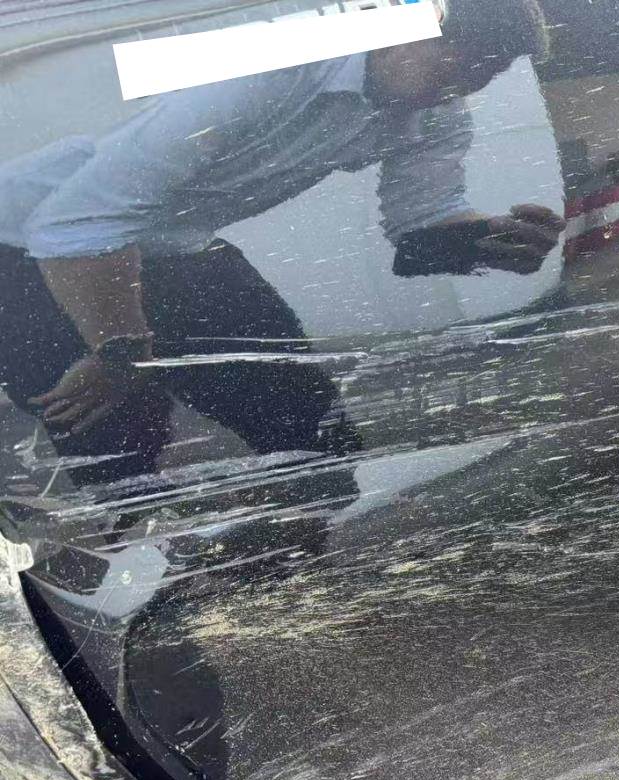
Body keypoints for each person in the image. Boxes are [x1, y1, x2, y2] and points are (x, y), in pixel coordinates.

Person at [0, 0, 564, 487]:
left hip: (169, 243)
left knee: (313, 435)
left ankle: (298, 552)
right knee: (115, 449)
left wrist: (491, 241)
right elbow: (76, 225)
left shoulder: (435, 112)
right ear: (406, 30)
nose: (467, 86)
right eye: (464, 61)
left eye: (491, 71)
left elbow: (420, 226)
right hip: (28, 248)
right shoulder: (270, 67)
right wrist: (121, 352)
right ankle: (118, 563)